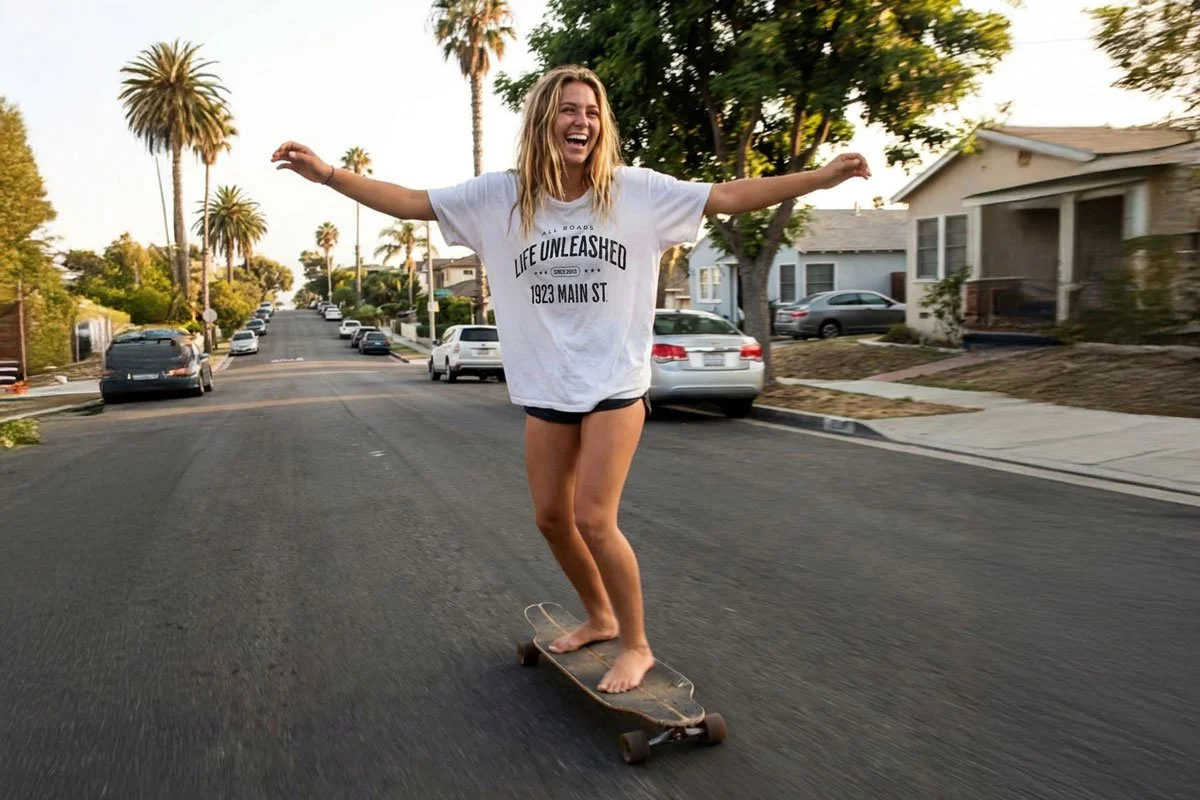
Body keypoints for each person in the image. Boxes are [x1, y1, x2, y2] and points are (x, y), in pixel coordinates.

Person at [272, 64, 869, 693]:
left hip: (615, 380)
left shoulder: (636, 192)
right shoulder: (498, 197)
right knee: (551, 519)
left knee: (593, 518)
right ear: (542, 121)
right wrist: (329, 175)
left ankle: (635, 644)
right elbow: (415, 203)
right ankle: (601, 616)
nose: (580, 121)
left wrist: (822, 177)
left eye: (590, 112)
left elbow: (724, 196)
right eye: (567, 110)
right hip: (547, 385)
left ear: (600, 125)